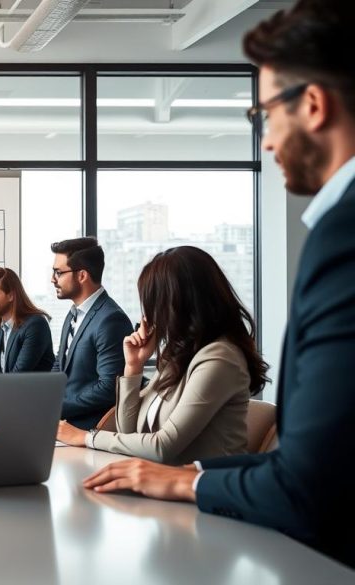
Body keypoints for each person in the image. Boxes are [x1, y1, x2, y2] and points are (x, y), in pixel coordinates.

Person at [83, 0, 355, 568]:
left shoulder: (343, 236)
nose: (266, 142)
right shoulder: (182, 358)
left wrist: (183, 482)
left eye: (263, 117)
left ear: (311, 105)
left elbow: (316, 479)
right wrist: (135, 379)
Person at [57, 247, 269, 465]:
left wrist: (86, 437)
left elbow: (162, 447)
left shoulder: (220, 358)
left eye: (152, 304)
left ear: (178, 303)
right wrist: (133, 367)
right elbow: (127, 431)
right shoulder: (178, 356)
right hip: (162, 484)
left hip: (202, 491)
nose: (148, 315)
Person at [50, 237, 133, 430]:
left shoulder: (111, 320)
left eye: (58, 272)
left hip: (89, 429)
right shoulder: (73, 314)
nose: (52, 279)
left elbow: (109, 388)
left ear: (82, 276)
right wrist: (41, 397)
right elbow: (60, 366)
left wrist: (57, 408)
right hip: (64, 424)